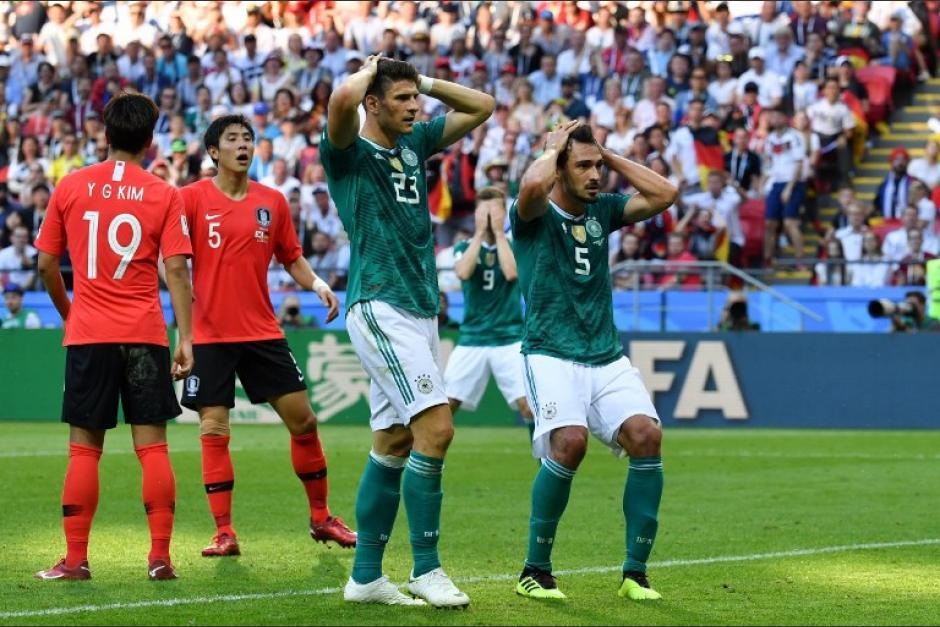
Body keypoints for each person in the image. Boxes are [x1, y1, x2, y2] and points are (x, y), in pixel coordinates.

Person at [322, 56, 493, 607]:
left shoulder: (414, 141)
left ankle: (366, 577)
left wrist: (424, 81)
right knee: (436, 429)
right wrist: (368, 69)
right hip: (380, 302)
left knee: (394, 441)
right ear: (373, 104)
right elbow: (340, 102)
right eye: (402, 99)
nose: (415, 107)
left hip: (419, 308)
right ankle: (426, 568)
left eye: (415, 98)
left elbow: (483, 106)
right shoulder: (347, 151)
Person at [510, 121, 677, 601]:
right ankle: (534, 571)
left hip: (604, 353)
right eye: (583, 166)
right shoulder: (534, 214)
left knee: (647, 436)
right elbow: (532, 186)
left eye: (598, 166)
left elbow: (665, 194)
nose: (595, 175)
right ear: (559, 169)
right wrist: (551, 149)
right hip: (550, 351)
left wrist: (608, 154)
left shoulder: (602, 209)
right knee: (569, 443)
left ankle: (635, 574)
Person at [33, 92, 195, 581]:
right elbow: (177, 271)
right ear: (150, 140)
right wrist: (186, 338)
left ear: (105, 134)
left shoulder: (70, 185)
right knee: (154, 448)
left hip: (90, 333)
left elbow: (46, 265)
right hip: (144, 333)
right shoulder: (164, 193)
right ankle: (160, 558)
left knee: (85, 449)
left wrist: (71, 314)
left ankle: (76, 560)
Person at [179, 115, 355, 559]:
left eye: (248, 138)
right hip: (210, 334)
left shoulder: (271, 201)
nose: (243, 145)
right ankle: (224, 532)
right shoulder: (191, 199)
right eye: (232, 139)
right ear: (214, 151)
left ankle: (321, 517)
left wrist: (317, 284)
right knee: (214, 429)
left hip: (261, 331)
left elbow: (291, 256)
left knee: (304, 421)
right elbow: (172, 258)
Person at [443, 187, 534, 441]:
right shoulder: (463, 246)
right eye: (484, 211)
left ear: (504, 214)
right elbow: (463, 272)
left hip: (509, 338)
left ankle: (544, 462)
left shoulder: (515, 245)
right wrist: (480, 233)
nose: (490, 216)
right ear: (475, 215)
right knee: (447, 406)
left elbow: (512, 273)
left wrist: (499, 234)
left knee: (529, 406)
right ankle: (428, 461)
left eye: (495, 210)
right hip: (472, 338)